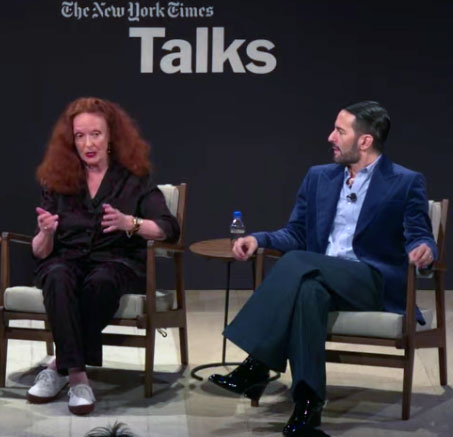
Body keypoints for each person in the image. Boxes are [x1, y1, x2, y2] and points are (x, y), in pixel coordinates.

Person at [209, 101, 436, 436]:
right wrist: (258, 240)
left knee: (297, 263)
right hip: (320, 276)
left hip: (371, 281)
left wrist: (424, 252)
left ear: (364, 141)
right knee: (308, 291)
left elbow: (419, 234)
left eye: (340, 131)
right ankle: (307, 409)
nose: (330, 136)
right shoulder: (319, 177)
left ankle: (256, 364)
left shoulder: (404, 182)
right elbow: (297, 233)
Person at [27, 97, 180, 415]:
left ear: (111, 136)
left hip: (116, 263)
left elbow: (168, 228)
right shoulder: (58, 181)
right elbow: (39, 251)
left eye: (95, 134)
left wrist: (130, 223)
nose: (88, 143)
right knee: (56, 275)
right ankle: (78, 376)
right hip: (65, 260)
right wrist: (47, 232)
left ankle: (58, 365)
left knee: (101, 281)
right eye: (80, 136)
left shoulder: (134, 180)